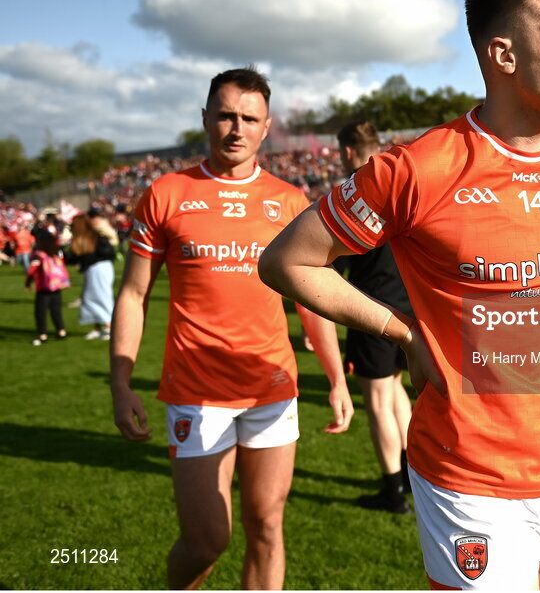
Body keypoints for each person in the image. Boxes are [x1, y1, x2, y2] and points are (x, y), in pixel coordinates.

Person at [258, 0, 540, 590]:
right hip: (468, 471)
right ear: (504, 54)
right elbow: (286, 261)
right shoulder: (417, 169)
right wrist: (403, 333)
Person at [109, 67, 353, 590]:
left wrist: (335, 378)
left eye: (249, 118)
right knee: (206, 541)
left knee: (267, 525)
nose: (236, 128)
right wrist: (121, 382)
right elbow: (133, 293)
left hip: (273, 388)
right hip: (196, 394)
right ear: (205, 119)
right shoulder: (166, 194)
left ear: (267, 128)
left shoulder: (290, 202)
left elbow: (313, 300)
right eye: (225, 115)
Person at [333, 120, 416, 515]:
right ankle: (411, 478)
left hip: (372, 311)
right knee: (396, 391)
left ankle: (392, 491)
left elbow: (329, 261)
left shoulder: (354, 190)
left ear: (349, 150)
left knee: (379, 402)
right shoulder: (400, 180)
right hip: (411, 307)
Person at [66, 214, 116, 340]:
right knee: (90, 298)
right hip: (95, 269)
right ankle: (98, 327)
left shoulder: (93, 237)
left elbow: (107, 253)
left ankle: (108, 327)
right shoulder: (87, 237)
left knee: (102, 297)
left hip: (98, 269)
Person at [24, 230, 69, 345]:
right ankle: (61, 331)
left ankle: (43, 335)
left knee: (41, 311)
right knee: (56, 309)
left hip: (44, 286)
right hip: (57, 284)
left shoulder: (38, 254)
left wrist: (28, 282)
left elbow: (32, 269)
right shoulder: (55, 252)